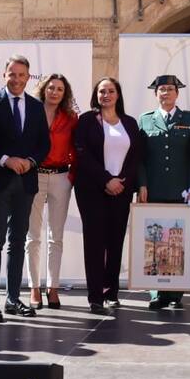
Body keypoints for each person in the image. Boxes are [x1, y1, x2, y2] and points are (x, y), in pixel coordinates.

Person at [0, 55, 50, 322]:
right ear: (4, 74)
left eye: (22, 75)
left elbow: (43, 144)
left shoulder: (35, 107)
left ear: (28, 77)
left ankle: (12, 298)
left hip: (26, 183)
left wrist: (30, 161)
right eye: (12, 74)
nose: (17, 79)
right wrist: (5, 159)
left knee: (18, 241)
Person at [73, 77, 144, 314]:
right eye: (102, 91)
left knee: (115, 241)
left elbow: (136, 157)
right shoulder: (86, 120)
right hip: (92, 190)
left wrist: (121, 180)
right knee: (94, 242)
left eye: (111, 91)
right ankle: (95, 296)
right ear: (96, 95)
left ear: (118, 95)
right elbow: (82, 154)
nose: (106, 94)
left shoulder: (130, 123)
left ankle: (111, 292)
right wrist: (106, 180)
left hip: (121, 191)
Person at [136, 75, 190, 310]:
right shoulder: (145, 120)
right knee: (153, 242)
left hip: (180, 191)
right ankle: (155, 292)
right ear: (156, 94)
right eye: (161, 90)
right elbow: (139, 159)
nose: (165, 93)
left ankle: (175, 294)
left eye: (170, 89)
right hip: (153, 190)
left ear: (177, 94)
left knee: (178, 243)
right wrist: (141, 184)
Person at [27, 73, 78, 310]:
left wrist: (73, 176)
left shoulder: (71, 118)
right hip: (35, 174)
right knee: (33, 236)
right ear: (43, 89)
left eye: (60, 89)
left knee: (55, 237)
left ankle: (53, 287)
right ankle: (34, 288)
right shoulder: (31, 113)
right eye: (51, 87)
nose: (55, 92)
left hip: (60, 177)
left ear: (64, 93)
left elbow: (76, 149)